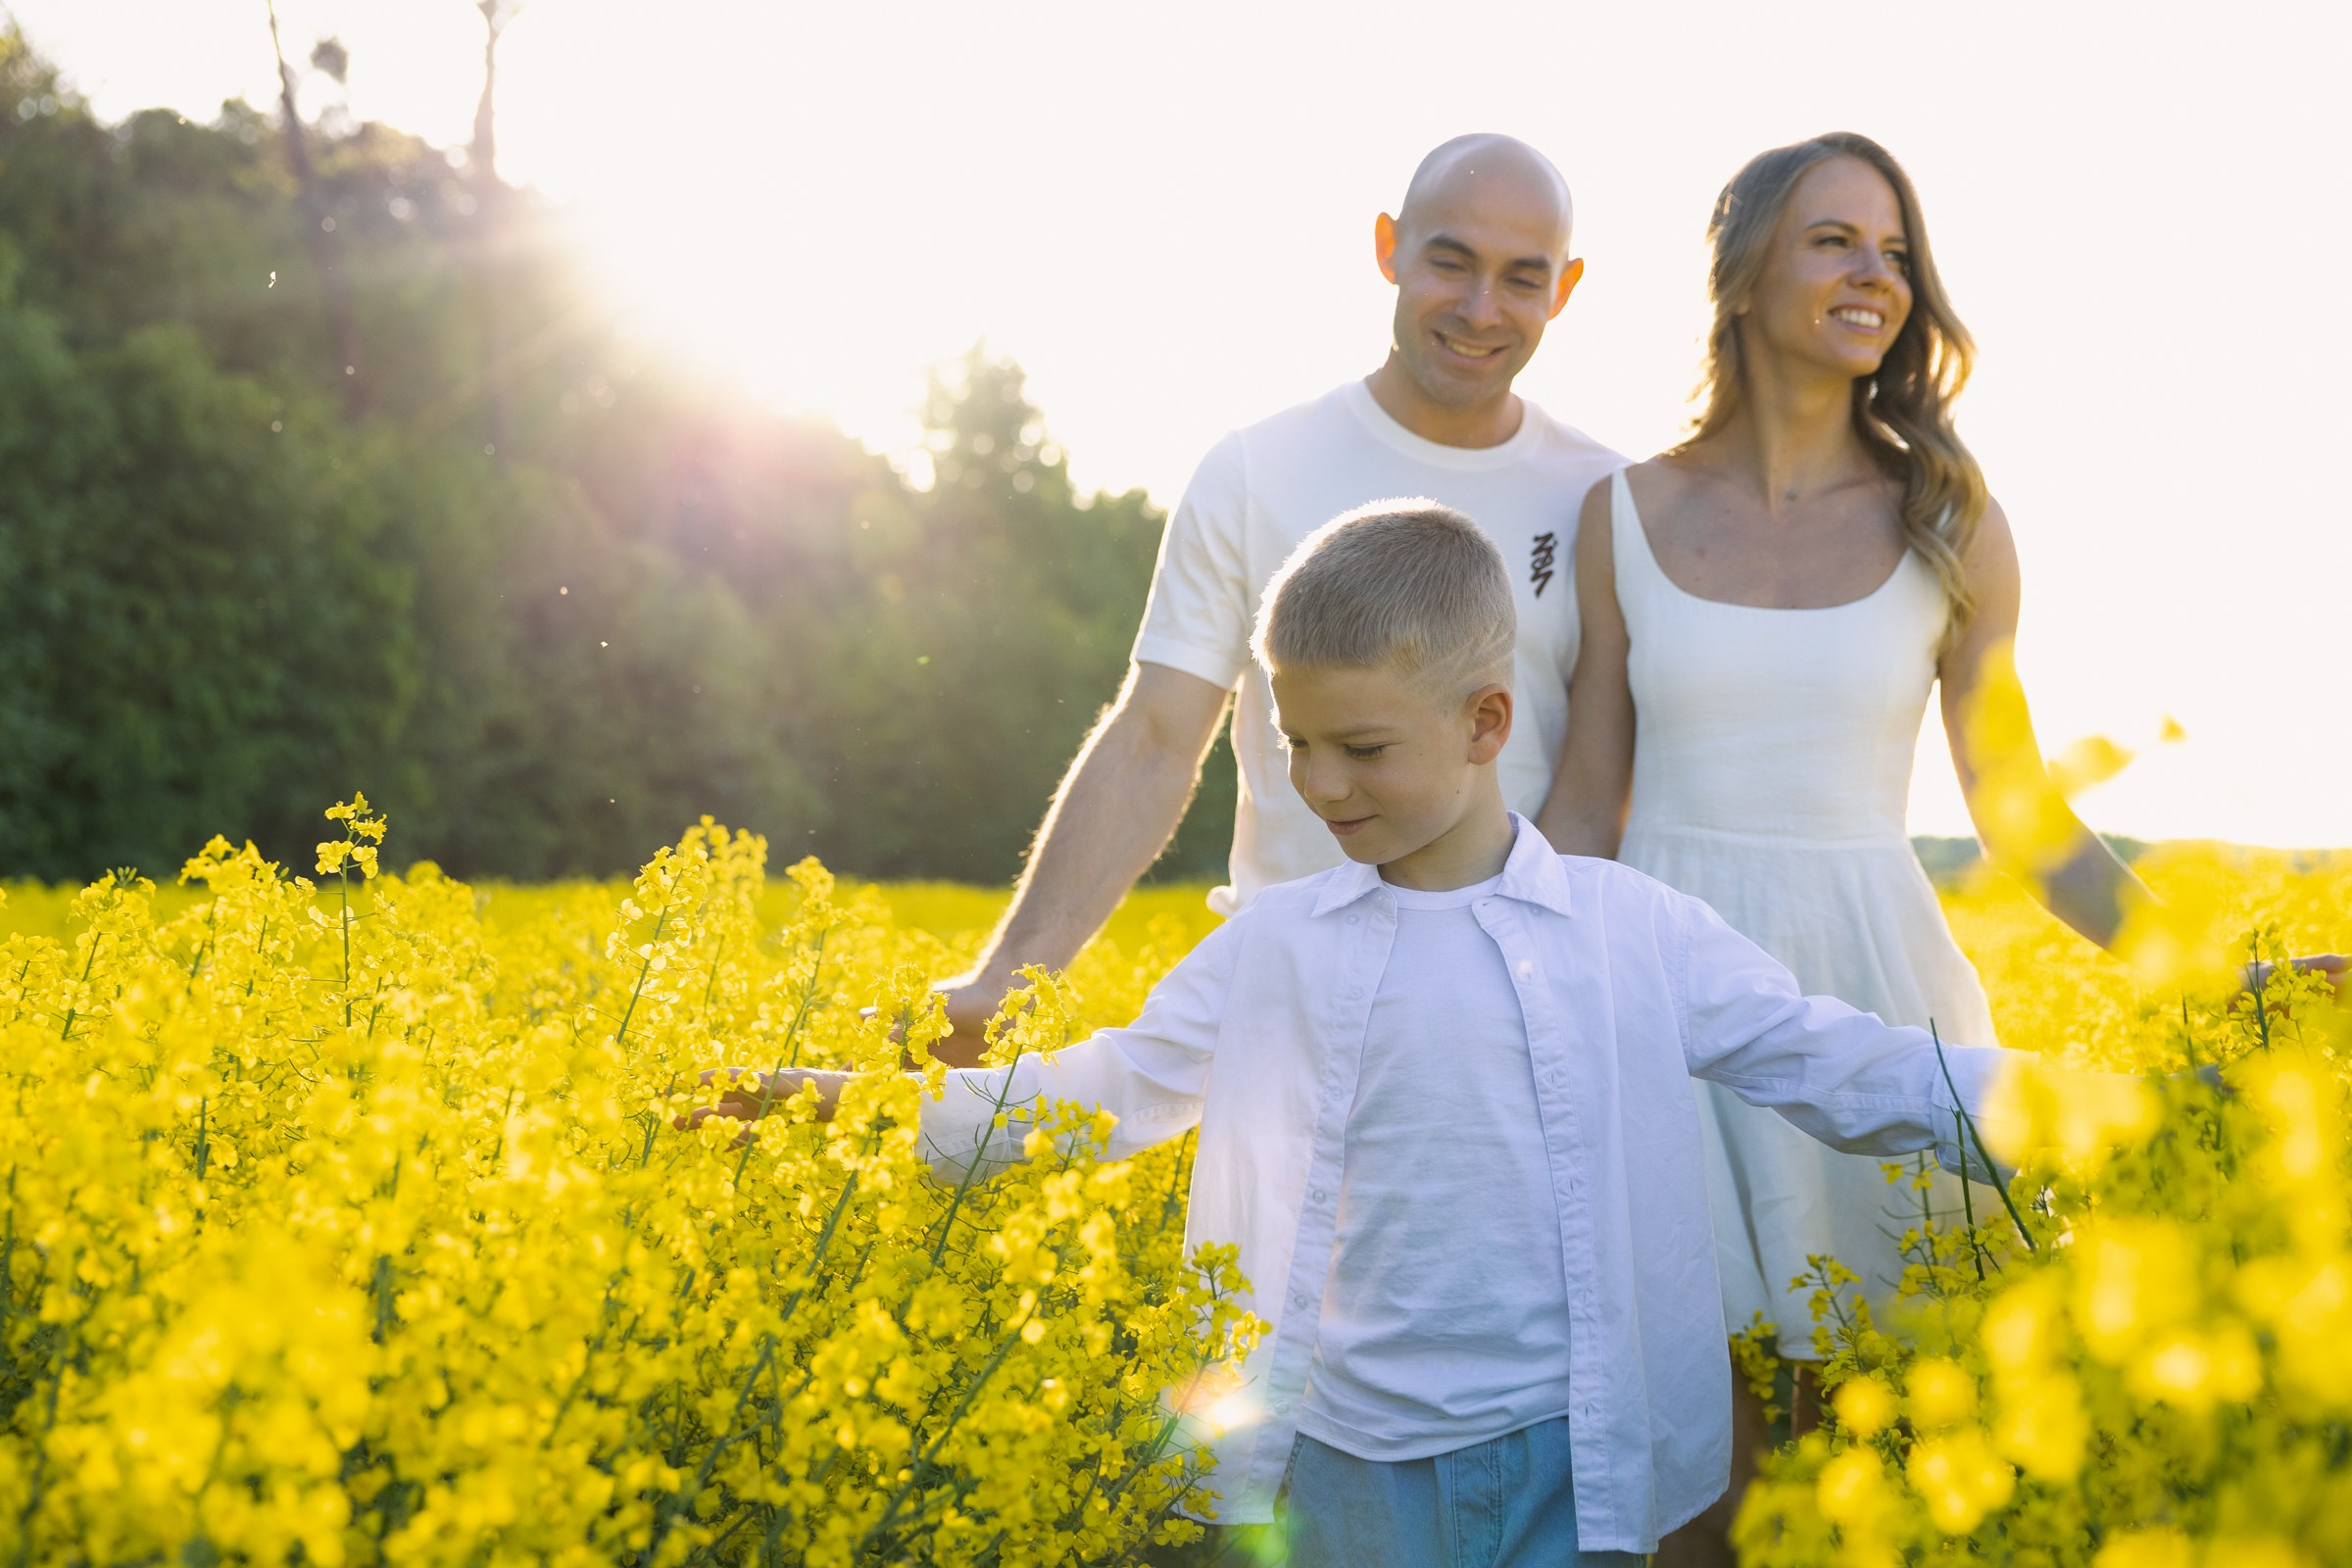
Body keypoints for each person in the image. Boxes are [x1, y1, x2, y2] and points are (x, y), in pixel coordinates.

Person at [691, 504, 2033, 1566]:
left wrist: (2084, 1112)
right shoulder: (1273, 947)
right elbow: (1095, 1096)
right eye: (1296, 743)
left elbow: (1840, 1066)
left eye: (1364, 748)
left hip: (1579, 1461)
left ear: (1486, 721)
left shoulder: (1634, 931)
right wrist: (836, 1104)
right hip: (1337, 1471)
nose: (1320, 784)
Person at [1532, 130, 2135, 1563]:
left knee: (1878, 1467)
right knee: (1701, 1480)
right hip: (1666, 1011)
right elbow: (1586, 808)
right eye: (1835, 242)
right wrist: (1446, 974)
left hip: (1878, 991)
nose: (1878, 275)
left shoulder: (1953, 519)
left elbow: (2017, 808)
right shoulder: (1621, 513)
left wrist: (2205, 967)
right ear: (1742, 274)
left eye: (1897, 252)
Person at [925, 132, 1623, 1065]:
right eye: (1451, 262)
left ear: (1565, 290)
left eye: (1522, 279)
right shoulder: (1258, 469)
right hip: (1289, 1011)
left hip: (1513, 1021)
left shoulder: (1606, 496)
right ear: (1388, 248)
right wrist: (1011, 977)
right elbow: (1155, 738)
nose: (1480, 308)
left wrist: (1532, 977)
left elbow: (1601, 785)